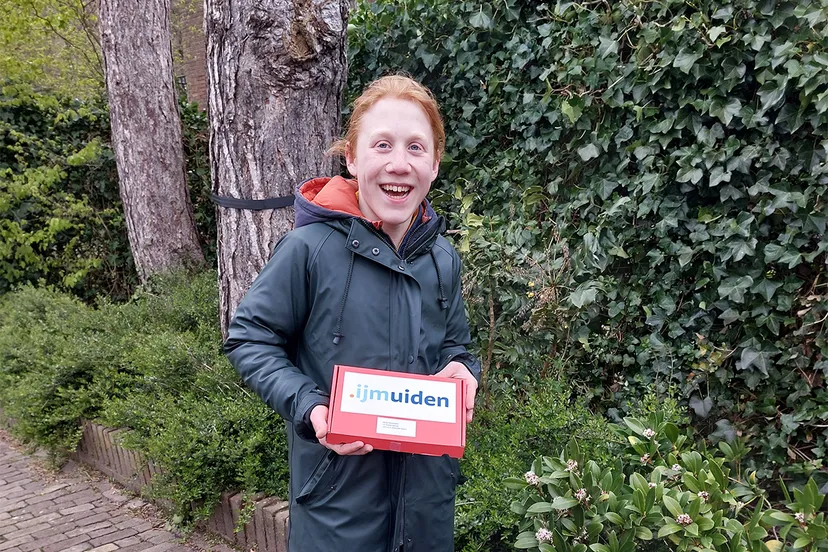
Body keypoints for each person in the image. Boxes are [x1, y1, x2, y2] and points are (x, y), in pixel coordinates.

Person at [224, 75, 481, 552]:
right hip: (337, 509)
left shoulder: (443, 257)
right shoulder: (309, 249)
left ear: (435, 162)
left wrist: (463, 370)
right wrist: (310, 406)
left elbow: (456, 346)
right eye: (381, 145)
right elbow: (249, 337)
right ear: (353, 158)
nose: (399, 164)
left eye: (416, 148)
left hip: (425, 509)